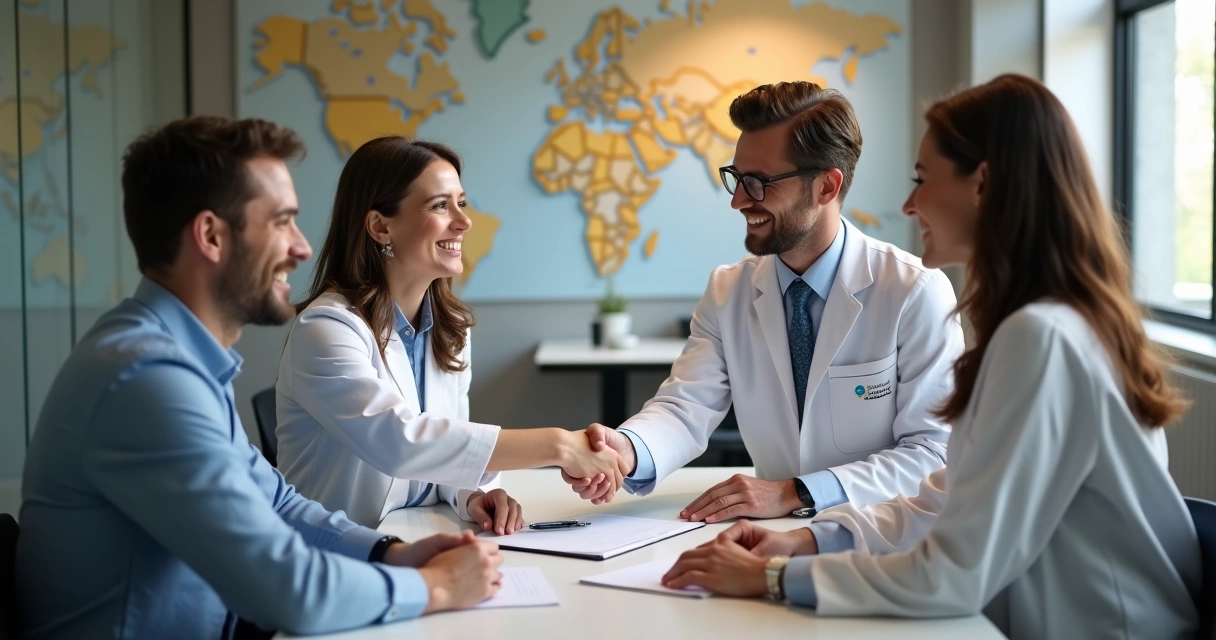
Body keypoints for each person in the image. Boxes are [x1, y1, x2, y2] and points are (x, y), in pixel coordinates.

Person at [660, 74, 1202, 639]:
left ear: (981, 184)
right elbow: (950, 495)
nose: (909, 203)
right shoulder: (1044, 324)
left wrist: (772, 577)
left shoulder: (1040, 337)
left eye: (922, 178)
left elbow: (952, 572)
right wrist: (808, 538)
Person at [16, 116, 505, 639]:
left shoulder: (178, 361)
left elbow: (277, 504)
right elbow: (288, 591)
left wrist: (391, 552)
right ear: (211, 236)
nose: (301, 247)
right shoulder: (146, 380)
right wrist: (437, 587)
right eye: (281, 222)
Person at [566, 81, 963, 522]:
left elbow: (934, 452)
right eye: (737, 178)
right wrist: (627, 449)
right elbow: (686, 407)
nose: (738, 201)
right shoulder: (727, 291)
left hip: (882, 534)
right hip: (771, 537)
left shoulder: (914, 291)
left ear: (826, 187)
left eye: (758, 183)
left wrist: (796, 492)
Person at [275, 136, 628, 533]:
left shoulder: (451, 328)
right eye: (440, 205)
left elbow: (443, 452)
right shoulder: (325, 329)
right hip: (330, 553)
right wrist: (559, 445)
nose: (464, 222)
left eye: (461, 203)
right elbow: (401, 444)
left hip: (413, 539)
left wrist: (472, 494)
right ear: (381, 227)